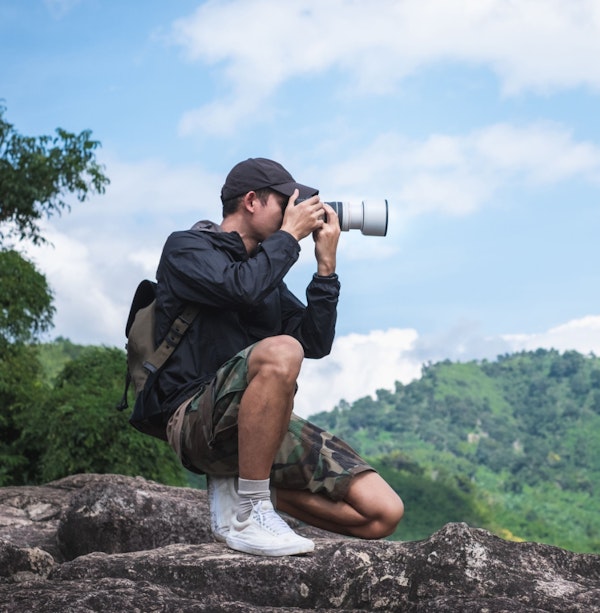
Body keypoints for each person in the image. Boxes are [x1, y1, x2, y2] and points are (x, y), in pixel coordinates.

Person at [137, 157, 403, 556]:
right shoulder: (187, 248)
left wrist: (326, 268)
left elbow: (314, 342)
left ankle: (243, 487)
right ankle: (250, 512)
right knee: (281, 350)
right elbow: (239, 289)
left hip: (255, 425)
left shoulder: (265, 275)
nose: (293, 215)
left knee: (383, 512)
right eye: (286, 204)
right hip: (192, 418)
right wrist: (289, 238)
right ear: (251, 201)